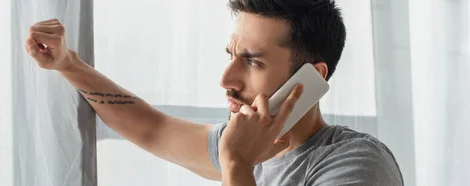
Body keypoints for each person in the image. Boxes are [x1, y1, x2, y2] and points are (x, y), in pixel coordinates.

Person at [24, 0, 403, 185]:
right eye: (231, 56)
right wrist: (68, 65)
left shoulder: (356, 164)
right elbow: (152, 129)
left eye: (253, 62)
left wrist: (237, 166)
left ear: (310, 78)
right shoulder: (240, 143)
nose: (227, 79)